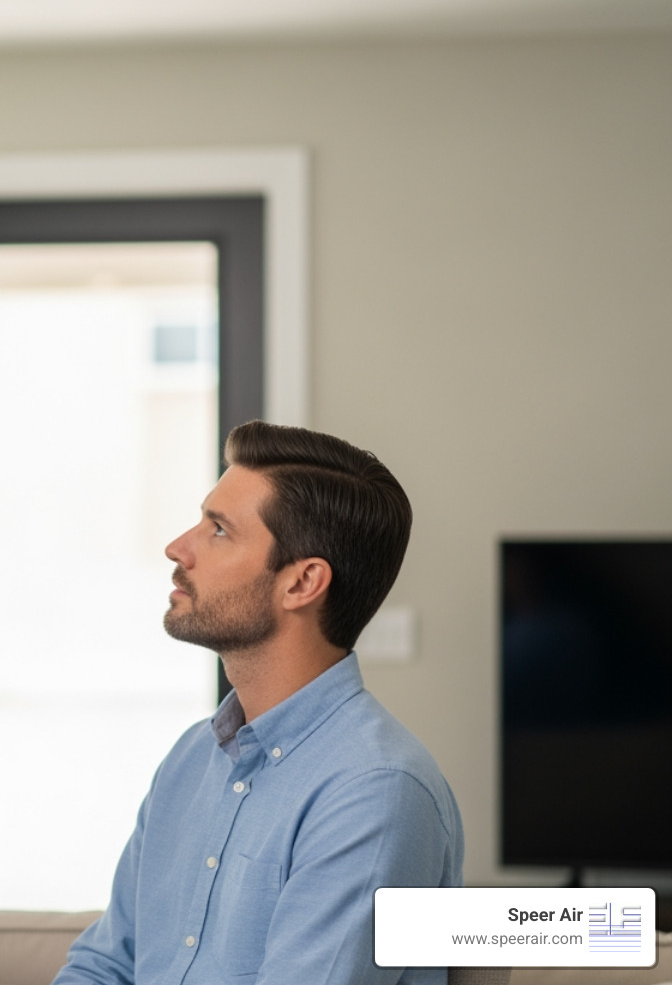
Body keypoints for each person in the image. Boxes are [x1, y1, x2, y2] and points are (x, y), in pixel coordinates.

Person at [53, 421, 463, 985]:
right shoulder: (192, 759)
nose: (178, 547)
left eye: (218, 530)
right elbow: (106, 965)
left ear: (301, 583)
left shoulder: (376, 791)